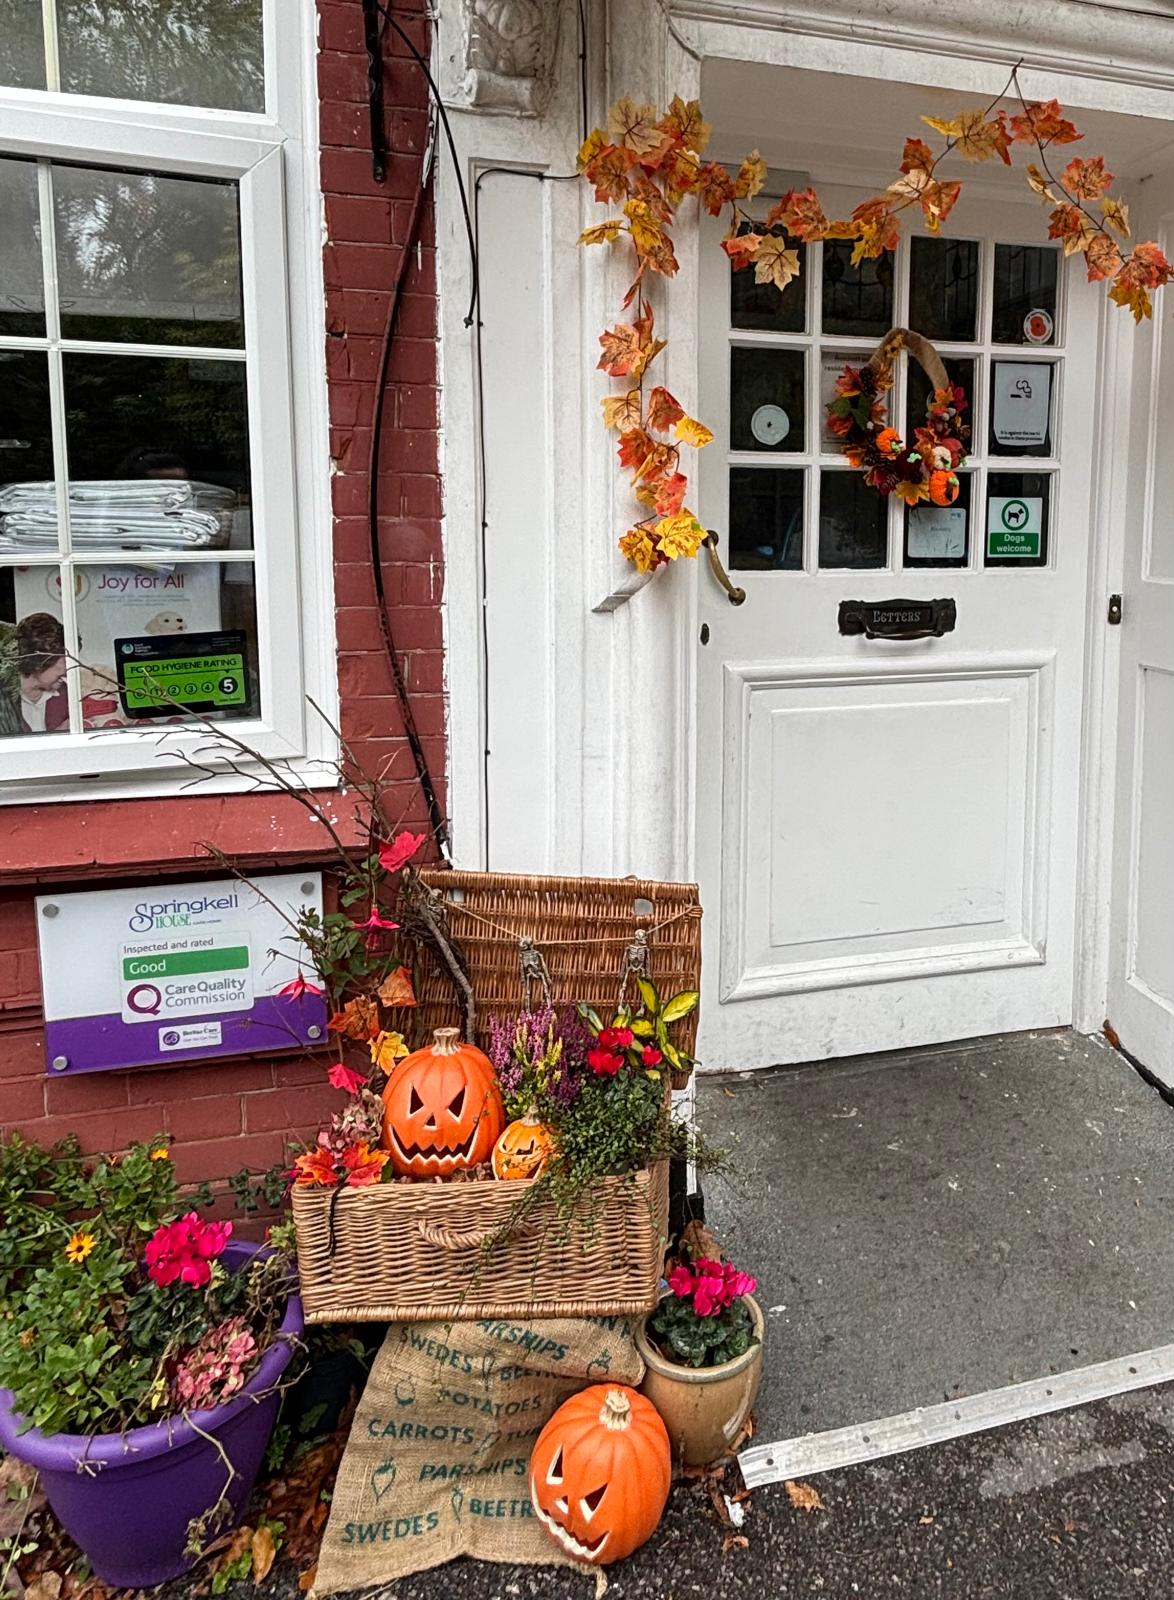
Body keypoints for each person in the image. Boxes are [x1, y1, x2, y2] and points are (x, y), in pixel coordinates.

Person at [6, 612, 69, 735]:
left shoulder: (67, 696)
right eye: (65, 661)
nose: (68, 671)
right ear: (41, 661)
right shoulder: (4, 699)